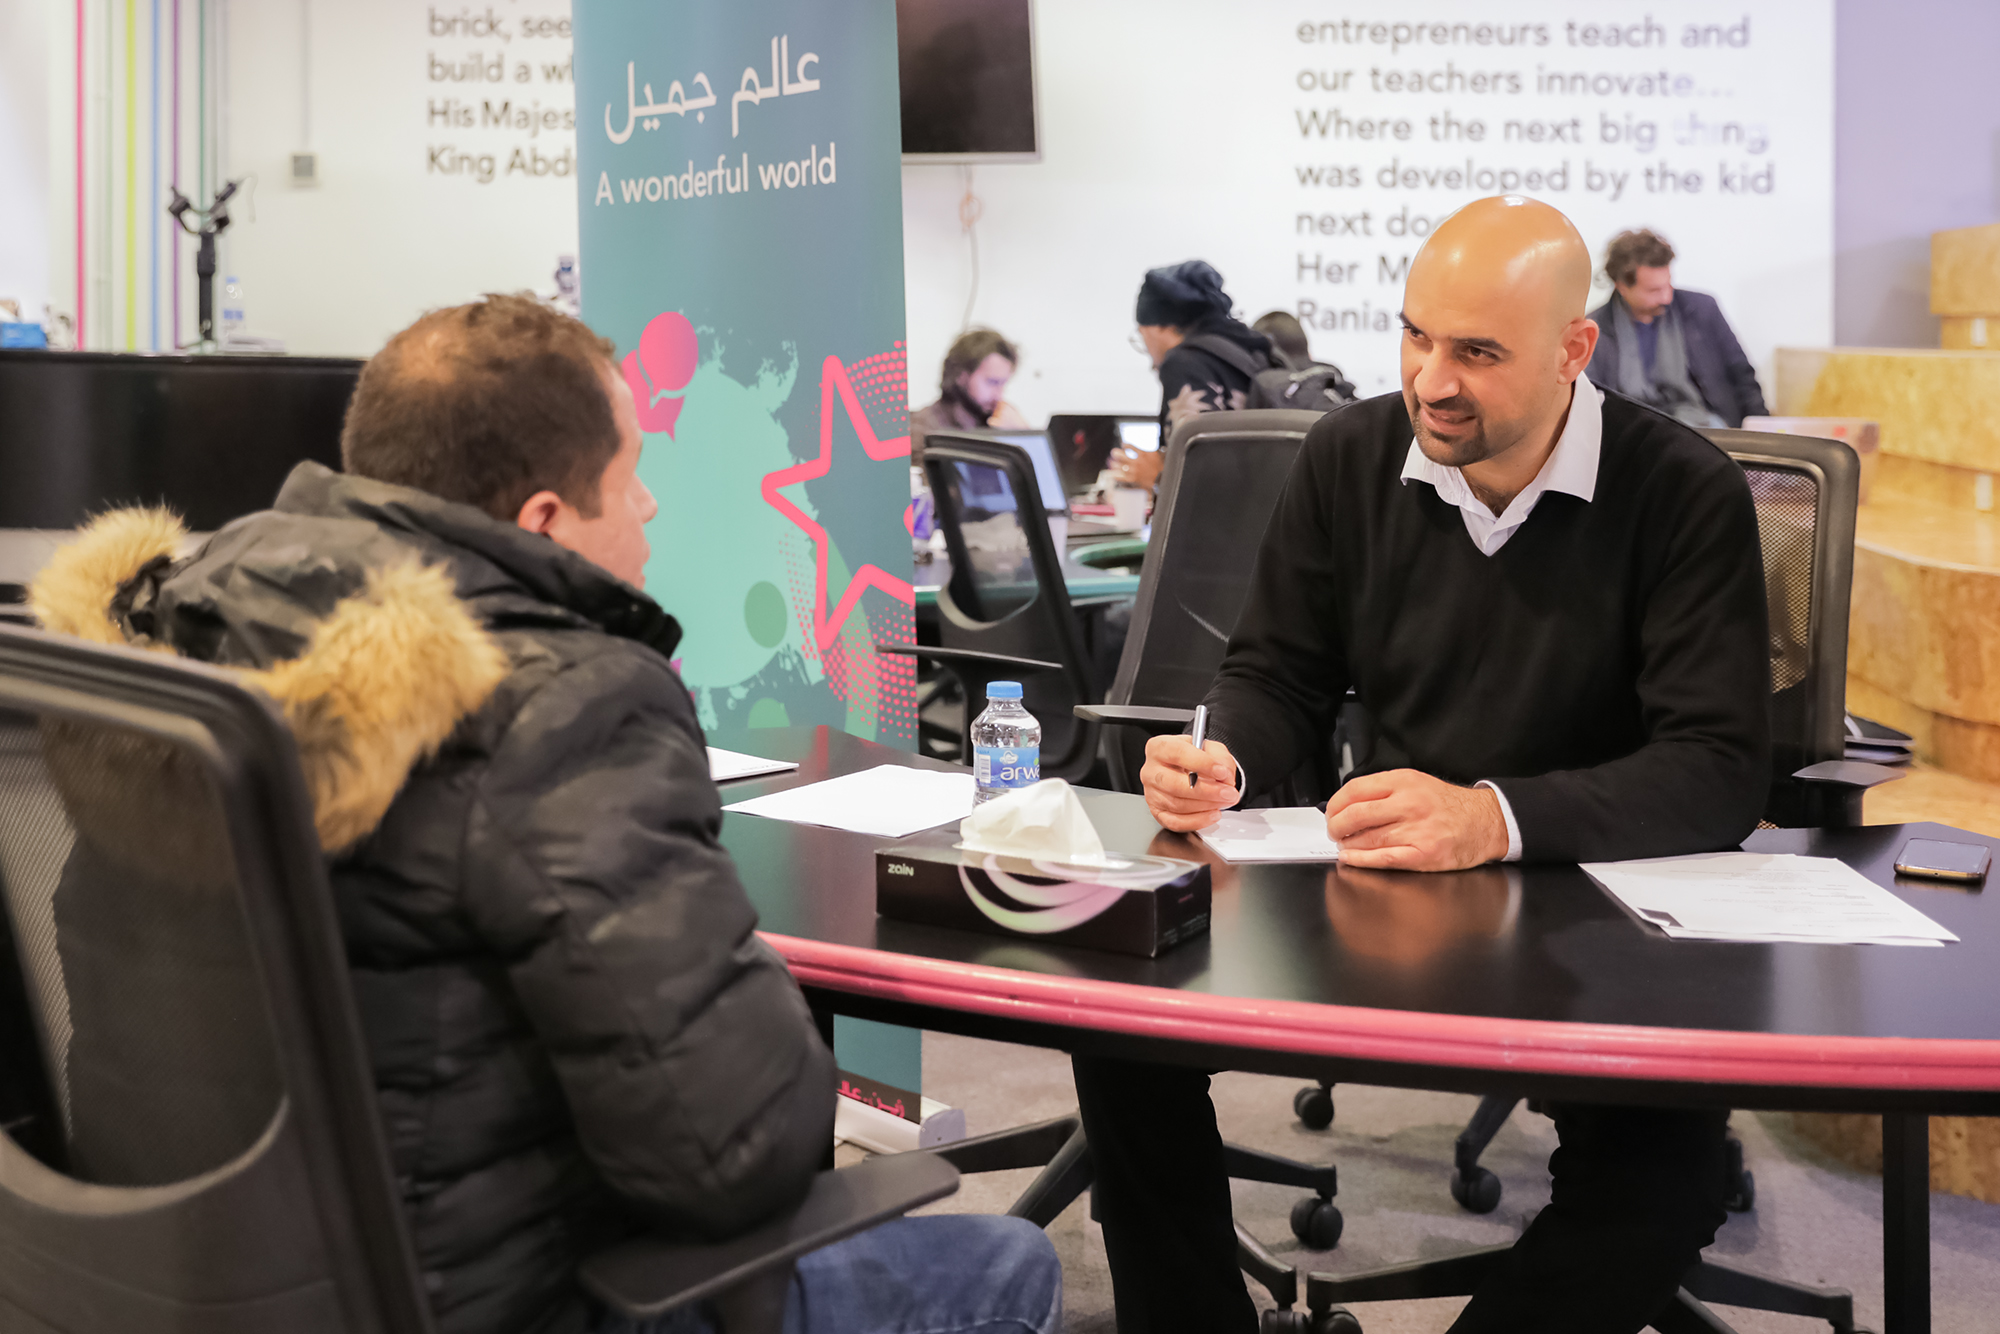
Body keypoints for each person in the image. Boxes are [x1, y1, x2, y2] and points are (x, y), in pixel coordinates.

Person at [30, 294, 1061, 1334]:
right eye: (631, 474)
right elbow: (734, 1155)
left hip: (171, 1284)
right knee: (1005, 1261)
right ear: (544, 521)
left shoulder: (176, 639)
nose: (649, 506)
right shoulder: (560, 706)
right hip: (484, 1302)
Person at [1078, 198, 1771, 1334]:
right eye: (1414, 335)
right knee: (1120, 1026)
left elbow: (1716, 768)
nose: (1430, 380)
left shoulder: (1679, 489)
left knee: (1665, 1177)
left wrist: (1491, 817)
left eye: (1477, 353)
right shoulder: (1350, 456)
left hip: (1591, 903)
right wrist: (1224, 756)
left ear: (1573, 349)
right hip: (1385, 887)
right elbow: (1278, 673)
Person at [1114, 261, 1282, 492]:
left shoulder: (1183, 363)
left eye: (1142, 335)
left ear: (1159, 326)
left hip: (1227, 512)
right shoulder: (1250, 349)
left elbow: (1198, 479)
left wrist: (1156, 477)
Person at [1585, 228, 1768, 428]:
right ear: (1622, 287)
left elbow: (1742, 374)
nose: (1666, 297)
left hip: (1705, 425)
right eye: (1654, 290)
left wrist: (1762, 430)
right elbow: (1589, 397)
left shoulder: (1702, 310)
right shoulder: (1595, 328)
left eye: (1668, 285)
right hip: (1632, 431)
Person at [911, 328, 1030, 460]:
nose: (999, 395)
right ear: (961, 376)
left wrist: (1021, 435)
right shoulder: (921, 429)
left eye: (1003, 384)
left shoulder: (994, 423)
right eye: (993, 382)